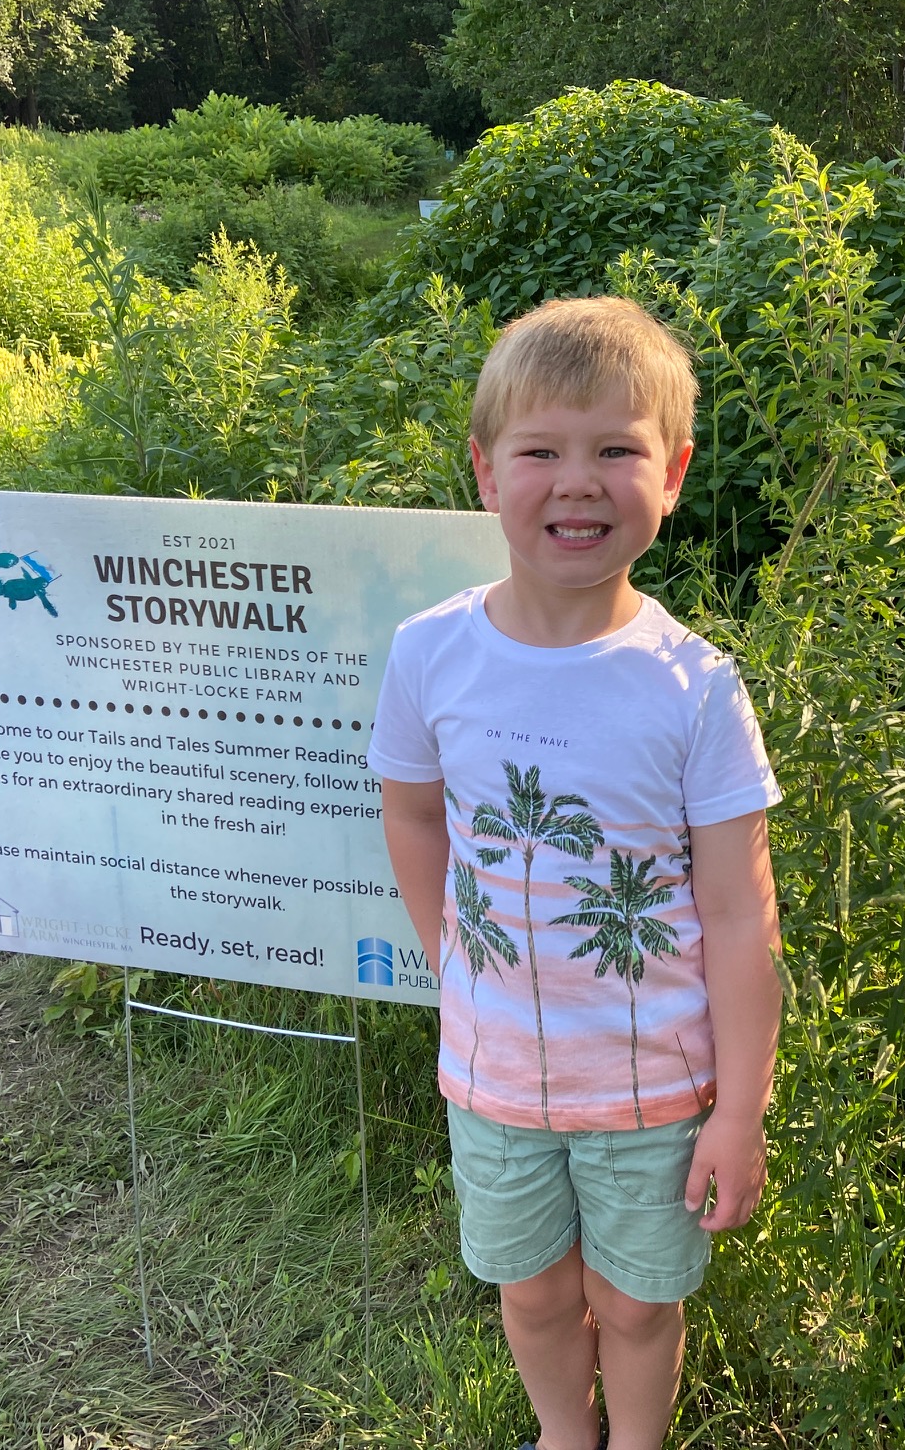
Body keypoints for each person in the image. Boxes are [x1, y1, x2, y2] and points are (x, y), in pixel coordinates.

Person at [371, 295, 784, 1450]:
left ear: (675, 472)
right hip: (493, 1075)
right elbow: (410, 812)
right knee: (535, 1292)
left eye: (617, 450)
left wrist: (739, 1113)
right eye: (541, 451)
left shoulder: (695, 686)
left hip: (655, 1091)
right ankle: (566, 1433)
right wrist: (448, 955)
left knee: (641, 1303)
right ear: (485, 473)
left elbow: (743, 921)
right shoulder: (430, 653)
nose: (578, 482)